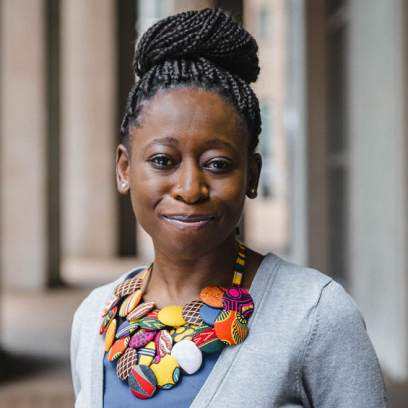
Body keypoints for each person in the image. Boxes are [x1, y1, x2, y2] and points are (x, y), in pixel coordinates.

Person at [70, 8, 390, 408]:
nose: (190, 188)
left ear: (252, 175)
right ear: (124, 170)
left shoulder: (315, 315)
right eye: (163, 160)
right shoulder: (94, 317)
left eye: (217, 164)